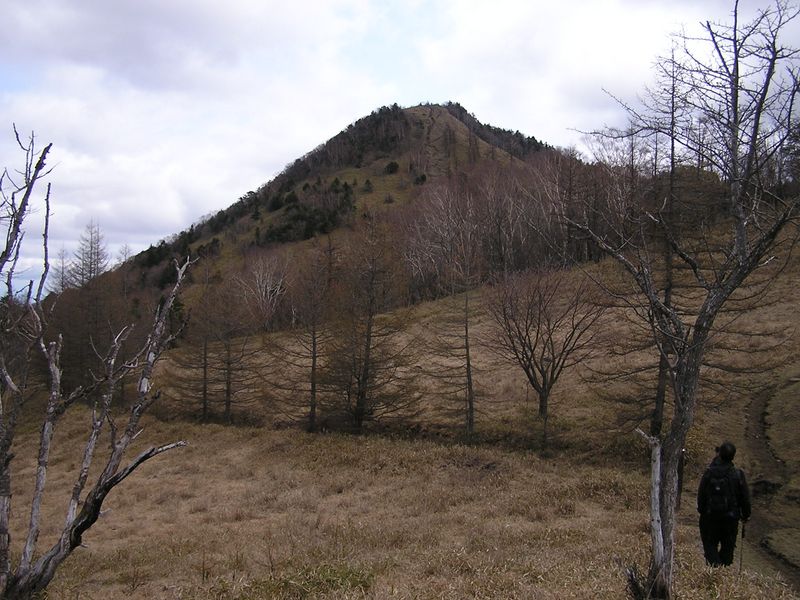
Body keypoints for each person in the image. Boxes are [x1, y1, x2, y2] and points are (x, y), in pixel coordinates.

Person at [697, 441, 751, 566]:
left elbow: (701, 495)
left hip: (710, 517)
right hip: (730, 519)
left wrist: (702, 511)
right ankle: (722, 573)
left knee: (710, 546)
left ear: (719, 454)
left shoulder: (709, 472)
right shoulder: (737, 474)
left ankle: (714, 571)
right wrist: (746, 515)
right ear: (733, 456)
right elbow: (745, 498)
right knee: (728, 549)